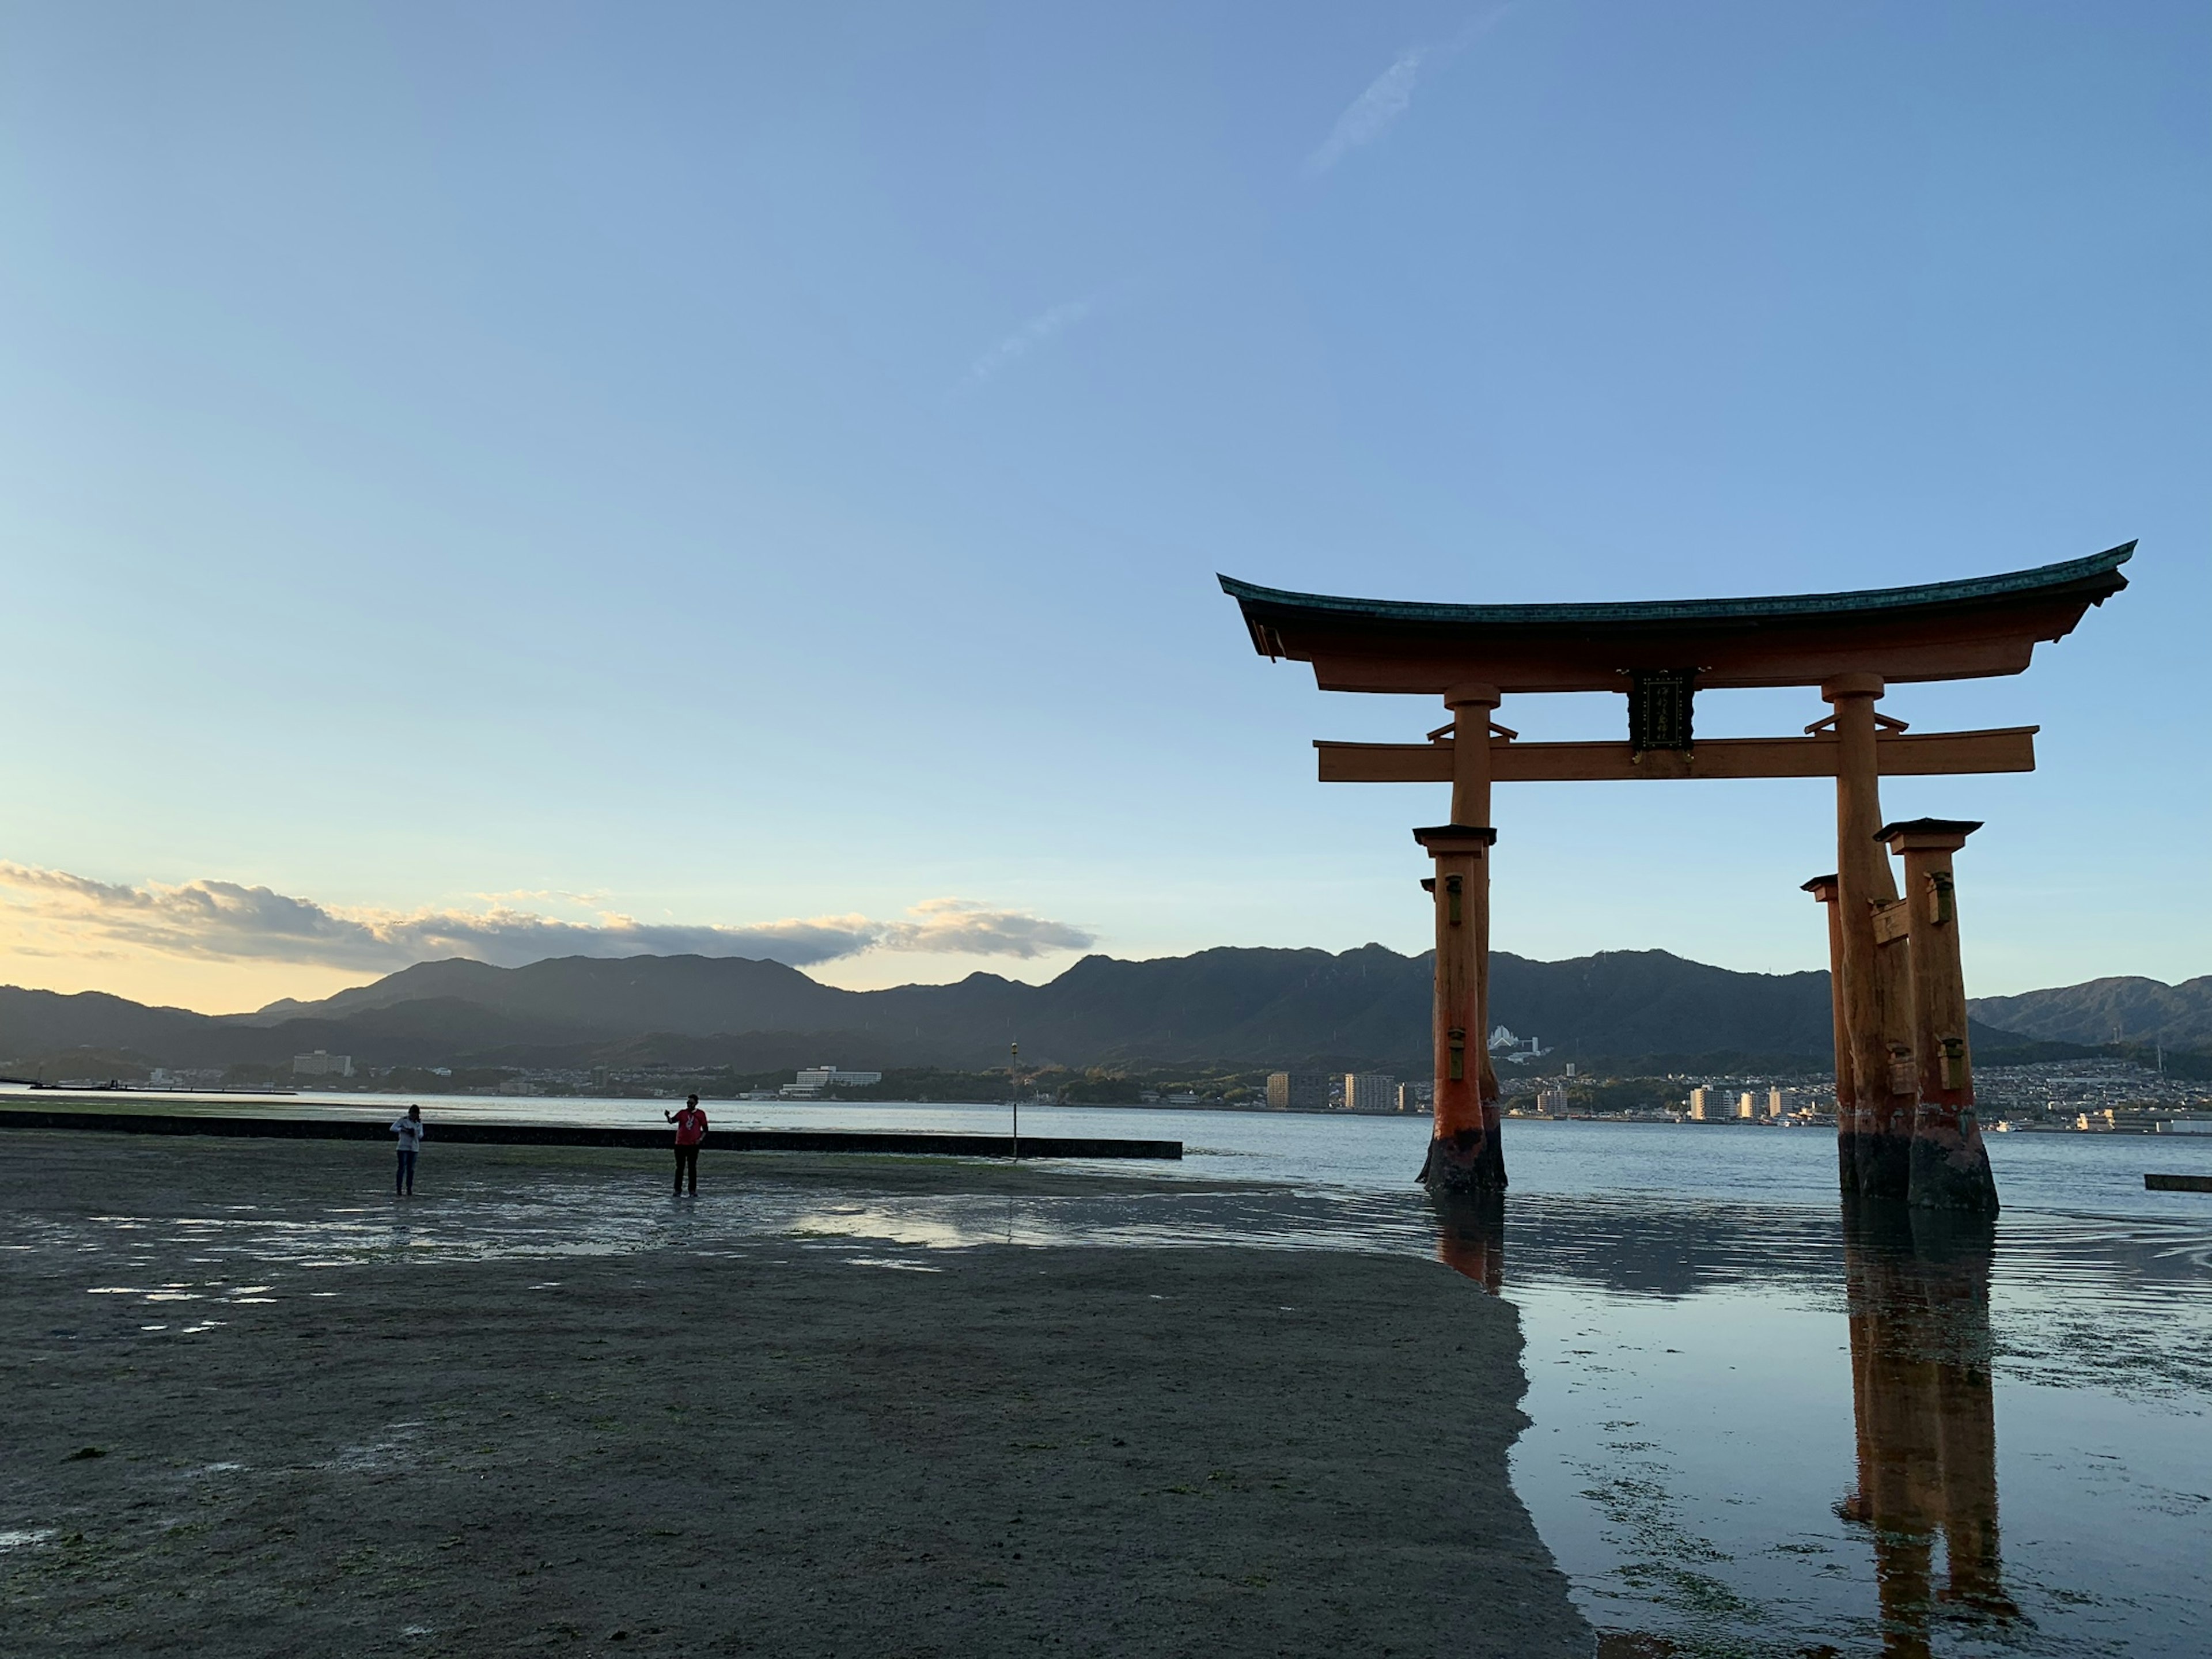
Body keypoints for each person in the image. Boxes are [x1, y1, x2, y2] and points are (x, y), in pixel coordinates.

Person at [666, 1094, 707, 1196]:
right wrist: (667, 1116)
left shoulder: (701, 1114)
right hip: (680, 1144)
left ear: (696, 1103)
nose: (689, 1105)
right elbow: (672, 1121)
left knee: (692, 1168)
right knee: (680, 1168)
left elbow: (706, 1129)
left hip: (693, 1145)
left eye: (691, 1103)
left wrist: (700, 1139)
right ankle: (677, 1190)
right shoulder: (682, 1113)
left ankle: (692, 1190)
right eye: (688, 1103)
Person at [390, 1104, 425, 1196]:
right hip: (403, 1147)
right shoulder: (403, 1120)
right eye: (412, 1113)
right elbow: (393, 1128)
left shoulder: (419, 1123)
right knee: (402, 1168)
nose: (413, 1115)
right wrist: (404, 1130)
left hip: (414, 1148)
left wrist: (415, 1133)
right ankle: (399, 1188)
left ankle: (409, 1188)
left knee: (411, 1169)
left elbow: (421, 1135)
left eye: (415, 1114)